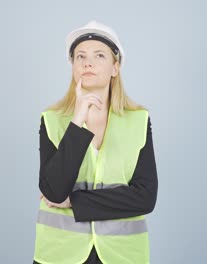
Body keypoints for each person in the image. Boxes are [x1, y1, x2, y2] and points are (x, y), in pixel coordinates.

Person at [33, 20, 158, 264]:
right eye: (80, 56)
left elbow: (145, 197)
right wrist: (77, 120)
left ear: (115, 66)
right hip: (60, 254)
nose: (87, 62)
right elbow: (54, 191)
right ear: (73, 66)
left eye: (99, 55)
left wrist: (75, 201)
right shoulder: (52, 120)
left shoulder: (139, 120)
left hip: (122, 255)